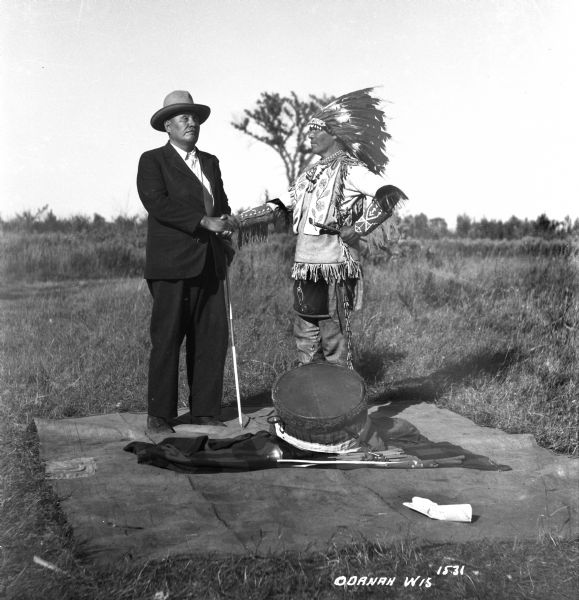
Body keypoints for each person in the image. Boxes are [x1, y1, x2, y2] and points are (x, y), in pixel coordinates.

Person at [239, 88, 407, 368]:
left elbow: (389, 193)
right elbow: (285, 203)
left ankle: (343, 406)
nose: (310, 136)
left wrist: (359, 228)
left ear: (334, 134)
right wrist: (240, 221)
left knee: (334, 338)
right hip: (305, 267)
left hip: (335, 267)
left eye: (316, 130)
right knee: (305, 336)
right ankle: (311, 404)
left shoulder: (353, 169)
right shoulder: (310, 172)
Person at [137, 90, 239, 434]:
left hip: (210, 263)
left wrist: (225, 227)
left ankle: (205, 411)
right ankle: (160, 415)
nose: (191, 122)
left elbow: (221, 204)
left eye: (194, 117)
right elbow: (157, 203)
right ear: (168, 126)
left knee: (211, 338)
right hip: (171, 264)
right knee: (167, 339)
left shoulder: (210, 161)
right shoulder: (152, 161)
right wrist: (203, 221)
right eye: (183, 117)